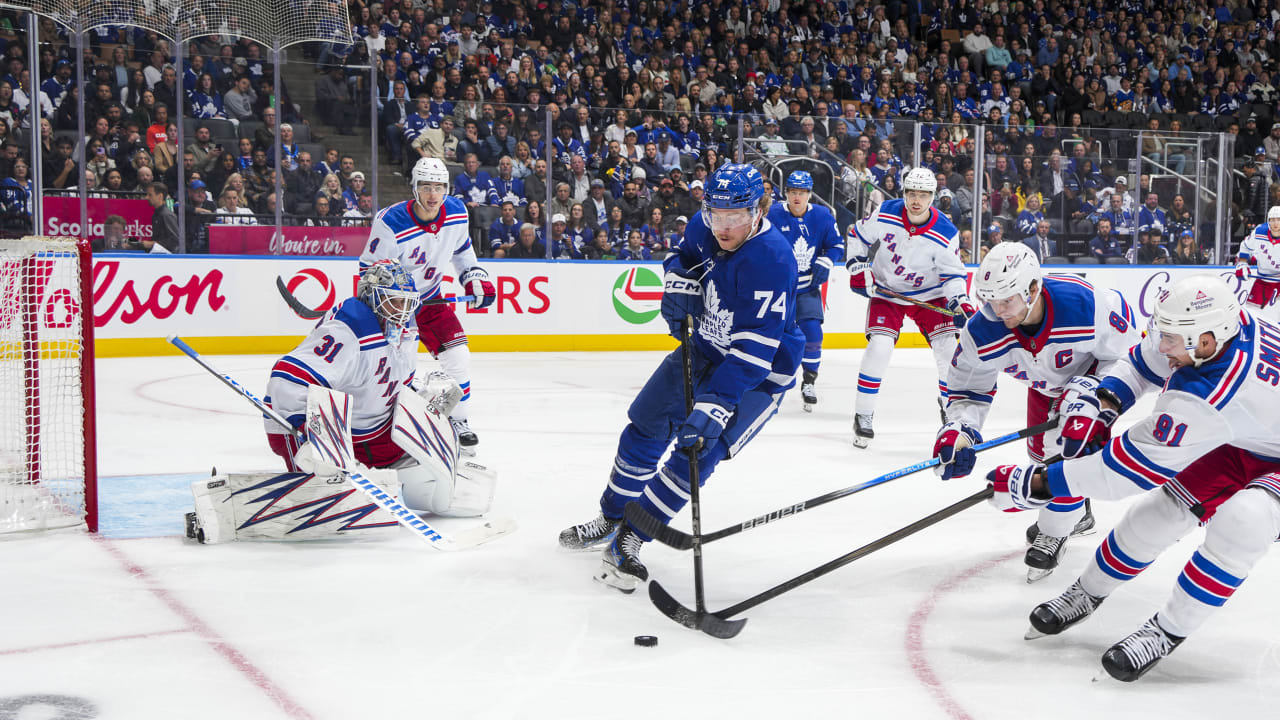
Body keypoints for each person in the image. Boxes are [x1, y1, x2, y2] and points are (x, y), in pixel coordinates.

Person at [986, 275, 1280, 682]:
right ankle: (1086, 592)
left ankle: (1166, 631)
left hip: (1260, 437)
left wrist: (1038, 484)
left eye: (1172, 340)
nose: (1163, 346)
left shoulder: (1209, 394)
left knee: (1244, 520)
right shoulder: (1219, 329)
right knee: (1159, 515)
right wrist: (1105, 402)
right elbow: (1140, 363)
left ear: (1206, 341)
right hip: (1256, 434)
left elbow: (1123, 472)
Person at [558, 163, 804, 593]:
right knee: (645, 427)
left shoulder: (772, 259)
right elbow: (683, 256)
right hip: (706, 346)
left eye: (736, 218)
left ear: (758, 210)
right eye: (715, 216)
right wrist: (677, 282)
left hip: (759, 374)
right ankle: (613, 516)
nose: (723, 227)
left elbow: (753, 354)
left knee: (694, 457)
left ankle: (630, 540)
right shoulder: (702, 226)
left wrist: (716, 403)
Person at [935, 242, 1139, 581]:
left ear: (1033, 288)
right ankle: (1079, 508)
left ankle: (1055, 531)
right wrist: (960, 429)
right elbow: (967, 389)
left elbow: (1127, 356)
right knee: (1041, 460)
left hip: (1093, 375)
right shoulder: (982, 330)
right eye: (990, 300)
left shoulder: (1082, 304)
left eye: (1006, 300)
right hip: (1045, 386)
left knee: (1066, 449)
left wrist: (1097, 396)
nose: (998, 310)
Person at [360, 157, 496, 453]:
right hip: (396, 307)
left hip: (432, 300)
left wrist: (473, 277)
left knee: (459, 356)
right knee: (403, 367)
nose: (433, 194)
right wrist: (394, 296)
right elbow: (368, 270)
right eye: (426, 186)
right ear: (414, 188)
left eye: (439, 187)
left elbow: (462, 252)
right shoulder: (390, 222)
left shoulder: (457, 212)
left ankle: (458, 421)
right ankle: (395, 424)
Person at [845, 167, 976, 447]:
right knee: (879, 347)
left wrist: (960, 302)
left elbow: (953, 275)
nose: (917, 200)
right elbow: (856, 234)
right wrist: (857, 267)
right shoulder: (886, 212)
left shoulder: (945, 232)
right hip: (887, 291)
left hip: (930, 296)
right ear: (904, 193)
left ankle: (950, 410)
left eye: (924, 194)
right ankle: (863, 415)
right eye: (912, 193)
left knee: (948, 352)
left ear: (933, 196)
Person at [766, 171, 844, 411]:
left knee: (813, 334)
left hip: (807, 288)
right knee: (771, 335)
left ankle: (808, 382)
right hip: (778, 289)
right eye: (793, 192)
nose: (796, 197)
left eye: (801, 192)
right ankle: (768, 378)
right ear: (786, 193)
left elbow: (837, 245)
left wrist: (828, 260)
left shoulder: (822, 216)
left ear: (809, 194)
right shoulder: (772, 214)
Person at [1234, 205, 1280, 322]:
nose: (1275, 223)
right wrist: (1242, 264)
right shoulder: (1259, 232)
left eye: (1279, 219)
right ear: (1268, 221)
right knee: (1250, 316)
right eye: (1272, 219)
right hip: (1263, 280)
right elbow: (1245, 247)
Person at [145, 181, 179, 252]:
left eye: (150, 195)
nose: (147, 197)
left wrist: (151, 244)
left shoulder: (166, 215)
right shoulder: (156, 214)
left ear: (160, 196)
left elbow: (175, 240)